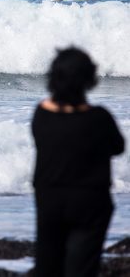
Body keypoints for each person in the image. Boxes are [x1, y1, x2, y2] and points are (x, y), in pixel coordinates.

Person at [31, 47, 124, 277]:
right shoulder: (99, 118)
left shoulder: (41, 115)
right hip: (90, 203)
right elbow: (118, 147)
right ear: (88, 80)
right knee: (81, 269)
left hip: (49, 201)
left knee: (48, 266)